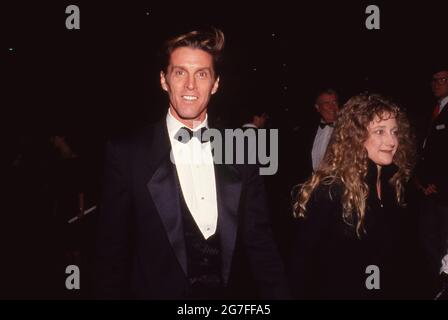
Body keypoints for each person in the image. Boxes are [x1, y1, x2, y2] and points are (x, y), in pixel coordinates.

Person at [94, 28, 289, 299]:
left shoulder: (242, 151)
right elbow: (110, 257)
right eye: (180, 72)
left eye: (202, 74)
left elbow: (261, 246)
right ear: (164, 80)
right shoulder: (127, 154)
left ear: (216, 83)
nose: (190, 85)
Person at [290, 93, 418, 299]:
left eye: (394, 132)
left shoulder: (393, 183)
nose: (392, 141)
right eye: (380, 131)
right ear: (357, 137)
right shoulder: (331, 189)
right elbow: (304, 262)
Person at [414, 67, 448, 292]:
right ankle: (441, 282)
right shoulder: (433, 110)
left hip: (444, 192)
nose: (436, 84)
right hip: (428, 190)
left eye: (442, 80)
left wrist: (441, 186)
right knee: (428, 236)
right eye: (433, 80)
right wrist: (422, 183)